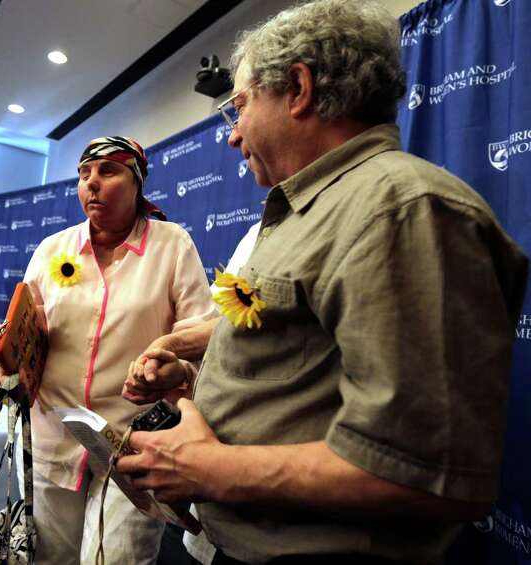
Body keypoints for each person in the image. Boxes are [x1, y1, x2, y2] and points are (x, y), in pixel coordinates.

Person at [116, 1, 529, 563]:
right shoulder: (311, 211)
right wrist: (192, 375)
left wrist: (203, 467)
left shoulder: (402, 210)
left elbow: (421, 474)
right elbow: (297, 359)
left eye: (238, 107)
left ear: (298, 88)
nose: (233, 136)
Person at [0, 136, 217, 565]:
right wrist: (11, 361)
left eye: (108, 171)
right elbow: (28, 330)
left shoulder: (171, 246)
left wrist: (176, 371)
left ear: (137, 182)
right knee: (47, 559)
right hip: (53, 437)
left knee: (117, 561)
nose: (91, 183)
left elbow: (201, 336)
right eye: (84, 174)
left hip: (132, 445)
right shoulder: (52, 250)